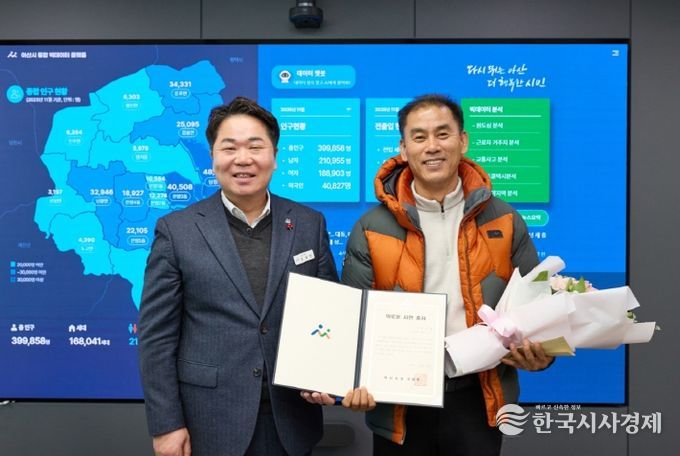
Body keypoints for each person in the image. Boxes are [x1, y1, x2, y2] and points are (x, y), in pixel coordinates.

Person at [341, 94, 553, 455]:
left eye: (443, 134)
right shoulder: (371, 227)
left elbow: (538, 309)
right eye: (419, 137)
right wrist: (349, 379)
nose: (432, 146)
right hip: (399, 401)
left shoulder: (505, 219)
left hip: (478, 397)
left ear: (463, 141)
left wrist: (541, 352)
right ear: (403, 148)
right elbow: (351, 321)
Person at [138, 97, 339, 456]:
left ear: (274, 156)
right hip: (210, 422)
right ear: (213, 157)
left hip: (292, 420)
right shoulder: (177, 231)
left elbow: (330, 316)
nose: (243, 159)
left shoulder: (308, 224)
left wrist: (329, 376)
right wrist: (166, 424)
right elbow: (157, 339)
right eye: (229, 148)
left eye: (255, 147)